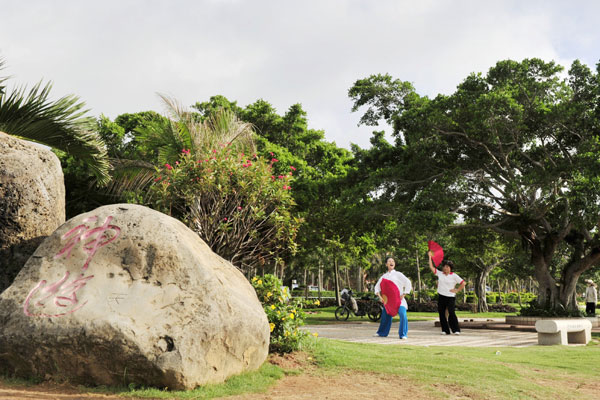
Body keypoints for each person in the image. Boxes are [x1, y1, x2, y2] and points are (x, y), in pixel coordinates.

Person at [373, 256, 412, 339]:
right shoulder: (384, 276)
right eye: (389, 261)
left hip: (399, 300)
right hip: (389, 302)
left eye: (393, 261)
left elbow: (408, 282)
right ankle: (381, 333)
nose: (391, 262)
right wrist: (380, 296)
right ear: (386, 264)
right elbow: (377, 287)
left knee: (402, 314)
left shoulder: (398, 274)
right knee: (385, 316)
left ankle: (403, 334)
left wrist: (404, 293)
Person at [428, 251, 466, 335]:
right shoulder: (440, 274)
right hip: (441, 296)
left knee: (451, 312)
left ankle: (456, 330)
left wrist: (457, 290)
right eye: (444, 267)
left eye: (447, 267)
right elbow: (431, 267)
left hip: (450, 296)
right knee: (441, 313)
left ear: (450, 268)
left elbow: (463, 283)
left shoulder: (454, 275)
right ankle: (445, 330)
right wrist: (430, 257)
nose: (445, 268)